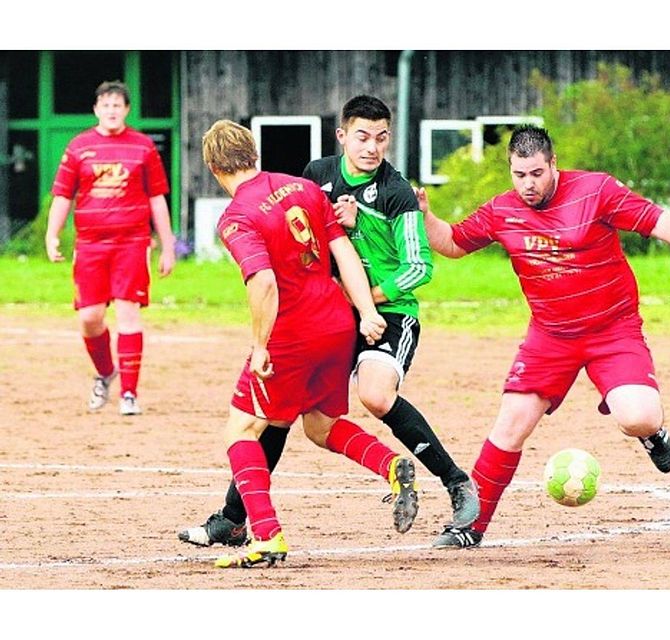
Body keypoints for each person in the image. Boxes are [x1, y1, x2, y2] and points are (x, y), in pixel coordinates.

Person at [417, 125, 670, 548]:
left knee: (638, 416)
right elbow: (451, 243)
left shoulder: (596, 191)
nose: (528, 184)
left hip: (613, 328)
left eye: (537, 173)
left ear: (554, 164)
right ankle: (470, 526)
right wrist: (425, 215)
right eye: (519, 175)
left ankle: (653, 434)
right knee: (510, 426)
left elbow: (659, 221)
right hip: (550, 335)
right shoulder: (503, 211)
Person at [178, 96, 479, 550]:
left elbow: (419, 268)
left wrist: (370, 307)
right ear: (342, 136)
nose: (372, 147)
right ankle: (233, 518)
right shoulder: (312, 179)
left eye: (381, 138)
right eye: (362, 136)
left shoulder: (397, 193)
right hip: (338, 317)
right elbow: (326, 243)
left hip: (372, 312)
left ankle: (454, 481)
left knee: (357, 399)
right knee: (300, 423)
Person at [201, 119, 398, 568]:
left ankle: (266, 535)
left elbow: (264, 283)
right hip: (336, 323)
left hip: (294, 332)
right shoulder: (301, 187)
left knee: (242, 429)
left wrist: (260, 344)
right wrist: (365, 311)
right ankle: (391, 467)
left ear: (215, 167)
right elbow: (343, 250)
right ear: (254, 152)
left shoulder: (236, 217)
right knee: (320, 427)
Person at [45, 80, 176, 416]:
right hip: (90, 245)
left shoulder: (143, 147)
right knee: (90, 318)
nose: (112, 110)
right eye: (105, 105)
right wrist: (52, 234)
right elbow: (63, 195)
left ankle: (129, 394)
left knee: (128, 311)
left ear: (127, 110)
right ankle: (106, 373)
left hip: (131, 243)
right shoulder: (78, 147)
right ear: (96, 109)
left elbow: (156, 198)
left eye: (118, 105)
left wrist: (167, 244)